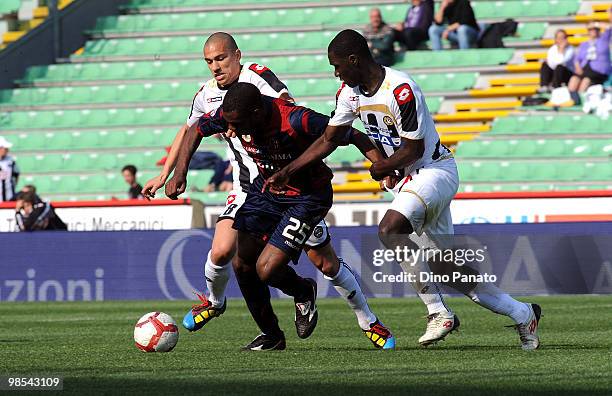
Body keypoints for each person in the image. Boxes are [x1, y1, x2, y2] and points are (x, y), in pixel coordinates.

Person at [266, 29, 542, 350]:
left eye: (337, 65)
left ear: (354, 59)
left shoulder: (401, 89)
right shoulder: (349, 94)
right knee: (448, 268)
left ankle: (438, 312)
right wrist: (289, 170)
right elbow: (330, 138)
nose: (336, 72)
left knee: (389, 229)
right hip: (410, 183)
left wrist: (380, 166)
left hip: (434, 171)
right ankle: (523, 313)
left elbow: (412, 149)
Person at [142, 32, 394, 350]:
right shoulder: (223, 106)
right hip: (264, 191)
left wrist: (381, 168)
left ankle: (363, 319)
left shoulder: (291, 116)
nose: (231, 131)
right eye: (209, 61)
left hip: (306, 196)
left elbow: (348, 134)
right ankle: (272, 335)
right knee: (241, 263)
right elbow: (194, 129)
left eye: (221, 58)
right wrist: (178, 173)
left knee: (319, 264)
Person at [567, 22, 611, 105]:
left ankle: (581, 102)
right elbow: (577, 59)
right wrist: (578, 67)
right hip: (586, 69)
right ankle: (574, 100)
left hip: (599, 70)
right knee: (574, 80)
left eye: (595, 29)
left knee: (585, 81)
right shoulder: (584, 44)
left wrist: (596, 24)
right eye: (591, 29)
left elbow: (609, 27)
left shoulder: (604, 40)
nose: (593, 31)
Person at [0, 136, 19, 202]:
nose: (7, 150)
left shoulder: (10, 160)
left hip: (9, 196)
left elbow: (16, 174)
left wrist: (12, 185)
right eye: (5, 148)